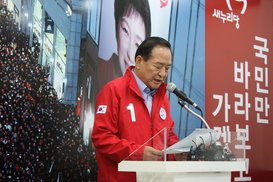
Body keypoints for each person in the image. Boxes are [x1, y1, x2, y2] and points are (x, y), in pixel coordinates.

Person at [92, 37, 186, 182]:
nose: (162, 74)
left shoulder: (163, 96)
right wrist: (138, 153)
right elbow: (102, 137)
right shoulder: (113, 90)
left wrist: (176, 152)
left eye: (167, 68)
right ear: (139, 62)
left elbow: (168, 134)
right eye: (158, 66)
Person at [97, 0, 151, 94]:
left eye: (138, 44)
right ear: (116, 27)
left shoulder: (148, 90)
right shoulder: (100, 70)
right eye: (125, 31)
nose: (130, 54)